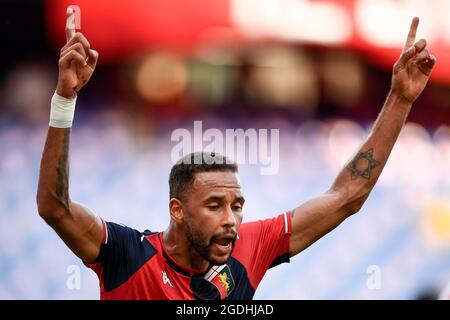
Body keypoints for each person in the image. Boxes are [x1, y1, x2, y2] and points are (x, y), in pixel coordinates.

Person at [37, 7, 436, 300]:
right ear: (176, 209)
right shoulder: (126, 254)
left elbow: (346, 196)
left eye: (237, 206)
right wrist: (64, 99)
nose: (231, 220)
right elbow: (54, 207)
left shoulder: (247, 246)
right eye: (215, 205)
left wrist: (400, 98)